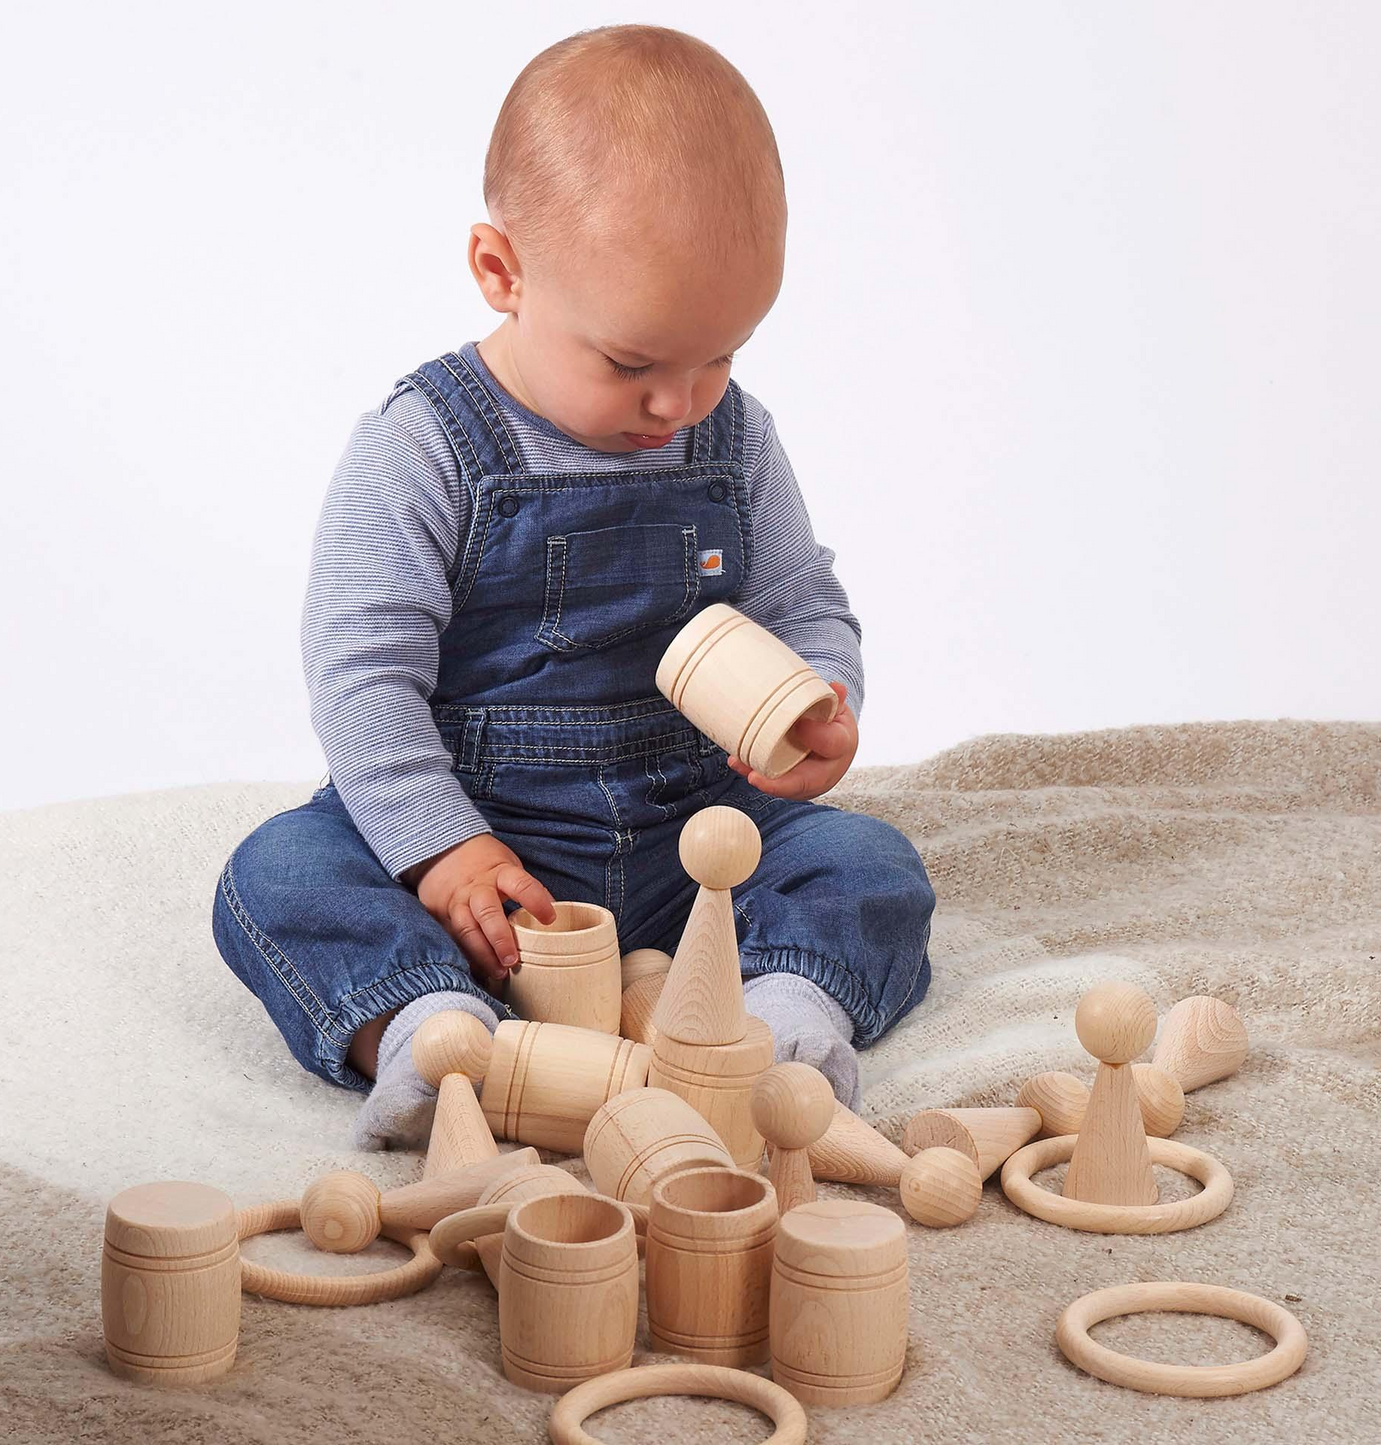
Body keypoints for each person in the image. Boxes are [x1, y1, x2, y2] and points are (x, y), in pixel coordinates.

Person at [212, 23, 935, 1150]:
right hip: (483, 856)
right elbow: (362, 674)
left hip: (690, 843)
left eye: (720, 357)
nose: (676, 405)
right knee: (277, 873)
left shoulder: (731, 439)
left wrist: (818, 697)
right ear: (502, 272)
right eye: (633, 364)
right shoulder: (425, 445)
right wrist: (440, 847)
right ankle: (428, 1025)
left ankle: (766, 1028)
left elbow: (799, 599)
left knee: (865, 863)